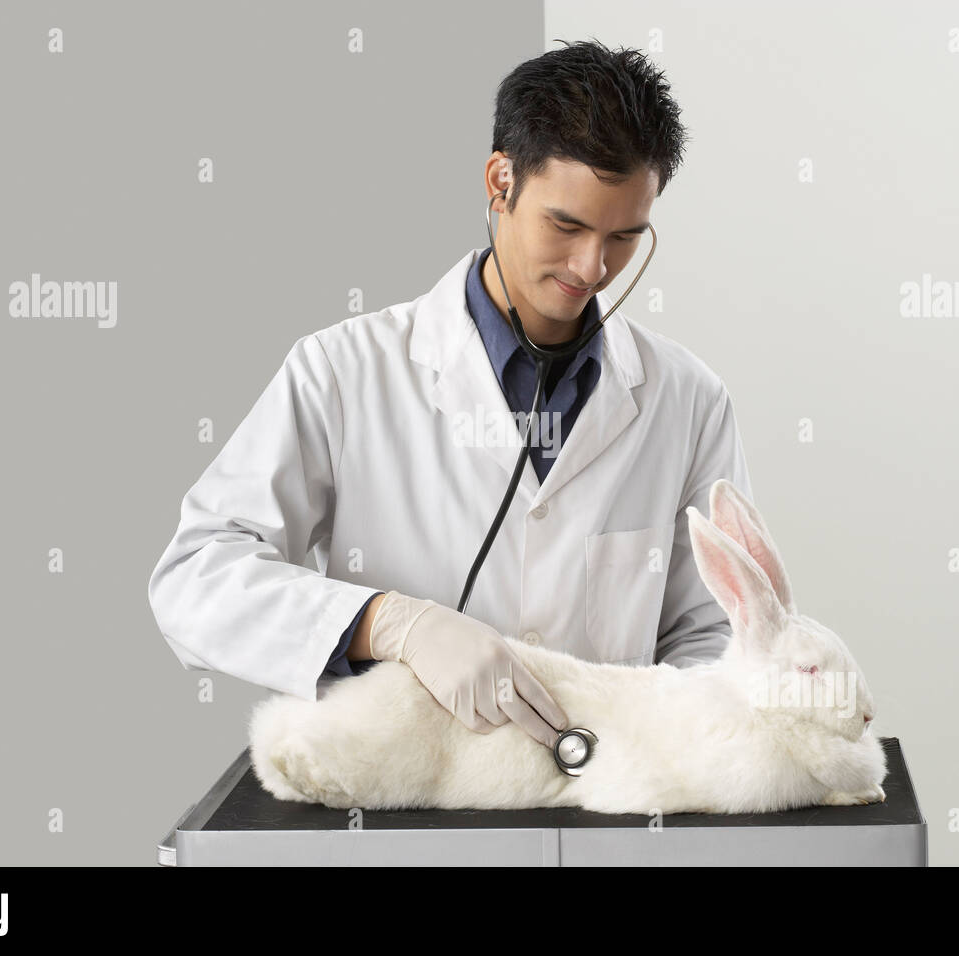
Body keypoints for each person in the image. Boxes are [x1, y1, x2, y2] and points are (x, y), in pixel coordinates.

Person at [147, 39, 753, 754]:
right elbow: (195, 579)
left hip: (606, 811)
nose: (593, 267)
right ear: (500, 183)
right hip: (403, 811)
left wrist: (645, 755)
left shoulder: (688, 400)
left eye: (624, 236)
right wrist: (392, 624)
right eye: (567, 226)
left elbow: (717, 630)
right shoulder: (343, 372)